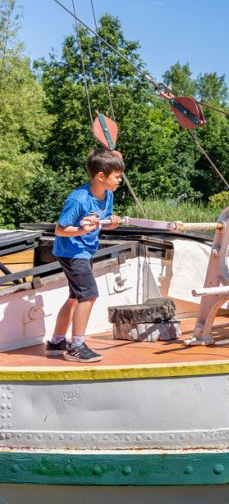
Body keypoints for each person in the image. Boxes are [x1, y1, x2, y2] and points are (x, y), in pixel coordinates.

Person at [46, 149, 124, 363]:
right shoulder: (78, 199)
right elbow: (60, 229)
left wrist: (112, 222)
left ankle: (56, 342)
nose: (120, 180)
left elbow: (102, 220)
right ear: (101, 176)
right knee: (88, 295)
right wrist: (83, 231)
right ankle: (77, 346)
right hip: (72, 252)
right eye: (117, 176)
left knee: (74, 298)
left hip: (86, 250)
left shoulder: (108, 195)